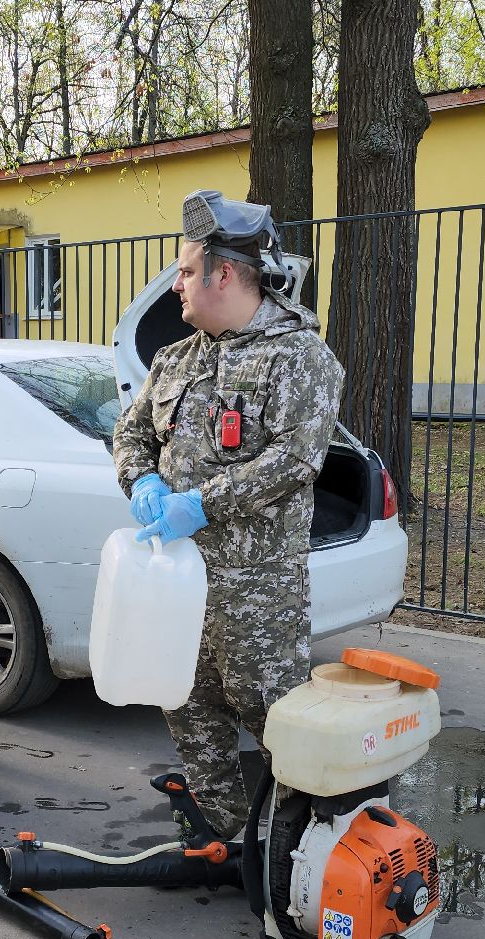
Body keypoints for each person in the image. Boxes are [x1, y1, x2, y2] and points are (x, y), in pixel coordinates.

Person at [111, 190, 344, 839]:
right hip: (178, 588)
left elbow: (296, 461)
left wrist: (200, 504)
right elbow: (130, 435)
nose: (177, 285)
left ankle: (305, 846)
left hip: (256, 598)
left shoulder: (301, 358)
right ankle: (225, 834)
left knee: (280, 724)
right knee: (187, 710)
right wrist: (145, 482)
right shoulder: (175, 359)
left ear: (223, 274)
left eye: (186, 271)